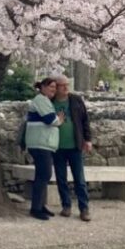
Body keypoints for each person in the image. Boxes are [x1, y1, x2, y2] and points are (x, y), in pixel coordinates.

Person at [51, 77, 93, 221]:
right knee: (61, 178)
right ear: (56, 88)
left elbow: (84, 120)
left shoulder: (75, 100)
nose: (65, 88)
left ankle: (84, 208)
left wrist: (87, 139)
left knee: (79, 179)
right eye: (62, 86)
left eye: (67, 85)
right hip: (57, 146)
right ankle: (66, 206)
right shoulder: (50, 101)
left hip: (75, 145)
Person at [25, 78, 62, 221]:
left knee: (44, 175)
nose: (54, 89)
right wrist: (59, 120)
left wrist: (57, 120)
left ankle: (40, 205)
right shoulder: (41, 100)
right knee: (44, 174)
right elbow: (51, 120)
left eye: (55, 87)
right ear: (43, 87)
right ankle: (35, 208)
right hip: (40, 143)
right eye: (51, 87)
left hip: (44, 143)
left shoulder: (45, 100)